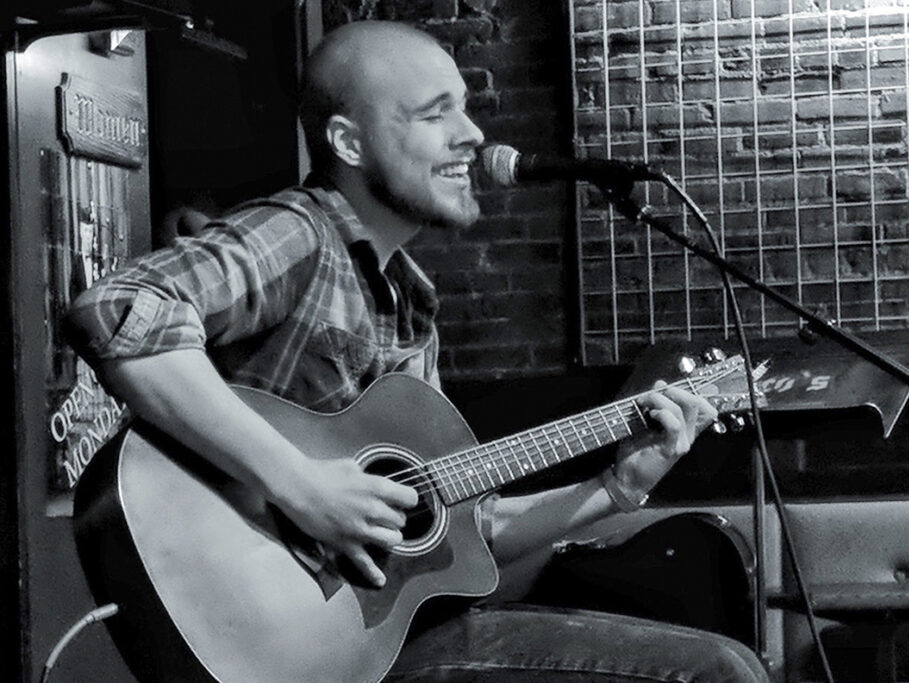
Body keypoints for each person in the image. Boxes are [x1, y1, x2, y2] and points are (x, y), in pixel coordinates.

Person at [67, 20, 769, 683]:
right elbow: (118, 309)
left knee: (718, 658)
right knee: (713, 671)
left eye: (465, 106)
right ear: (349, 143)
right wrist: (302, 486)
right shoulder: (299, 233)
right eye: (437, 114)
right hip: (264, 618)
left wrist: (617, 487)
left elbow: (460, 533)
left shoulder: (411, 305)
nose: (473, 135)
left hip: (360, 638)